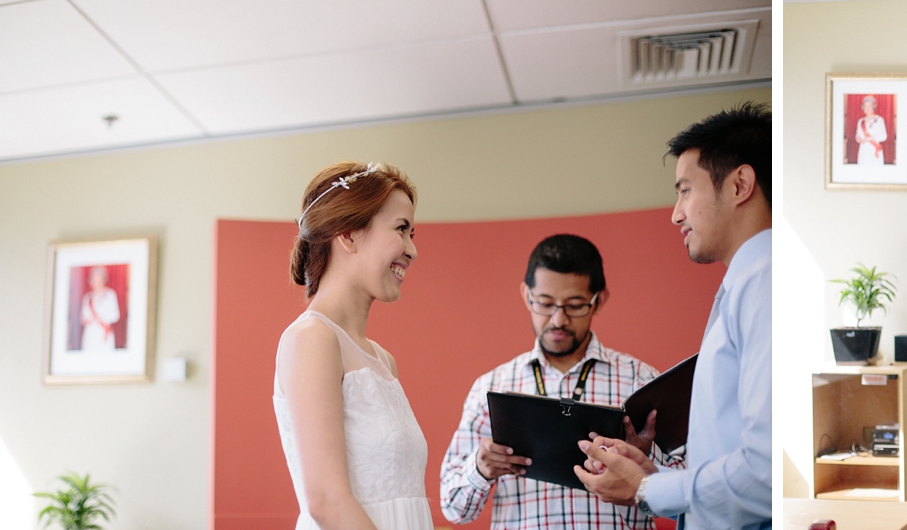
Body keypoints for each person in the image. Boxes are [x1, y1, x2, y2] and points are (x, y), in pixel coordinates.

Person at [573, 102, 772, 529]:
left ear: (740, 184)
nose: (675, 213)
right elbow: (733, 462)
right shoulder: (743, 286)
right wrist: (650, 476)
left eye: (685, 190)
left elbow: (767, 470)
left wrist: (648, 490)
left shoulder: (764, 281)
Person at [439, 234, 682, 529]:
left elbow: (689, 494)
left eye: (575, 305)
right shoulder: (492, 386)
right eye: (544, 303)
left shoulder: (641, 380)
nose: (557, 320)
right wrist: (481, 467)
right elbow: (452, 507)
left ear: (599, 301)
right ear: (526, 295)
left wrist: (645, 459)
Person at [272, 161, 430, 530]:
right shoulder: (313, 338)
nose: (412, 250)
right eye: (401, 230)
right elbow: (326, 501)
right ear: (348, 235)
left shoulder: (383, 360)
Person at [78, 265, 120, 351]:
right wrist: (88, 320)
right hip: (90, 335)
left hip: (104, 334)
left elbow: (115, 315)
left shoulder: (110, 295)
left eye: (99, 279)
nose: (96, 282)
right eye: (94, 280)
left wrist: (99, 318)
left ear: (104, 280)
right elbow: (82, 318)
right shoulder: (87, 297)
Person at [853, 95, 888, 165]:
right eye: (866, 106)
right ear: (863, 108)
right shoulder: (861, 121)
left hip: (874, 150)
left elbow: (884, 136)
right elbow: (857, 135)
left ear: (874, 107)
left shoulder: (879, 120)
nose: (868, 108)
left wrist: (869, 138)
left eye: (870, 106)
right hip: (863, 150)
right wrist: (858, 139)